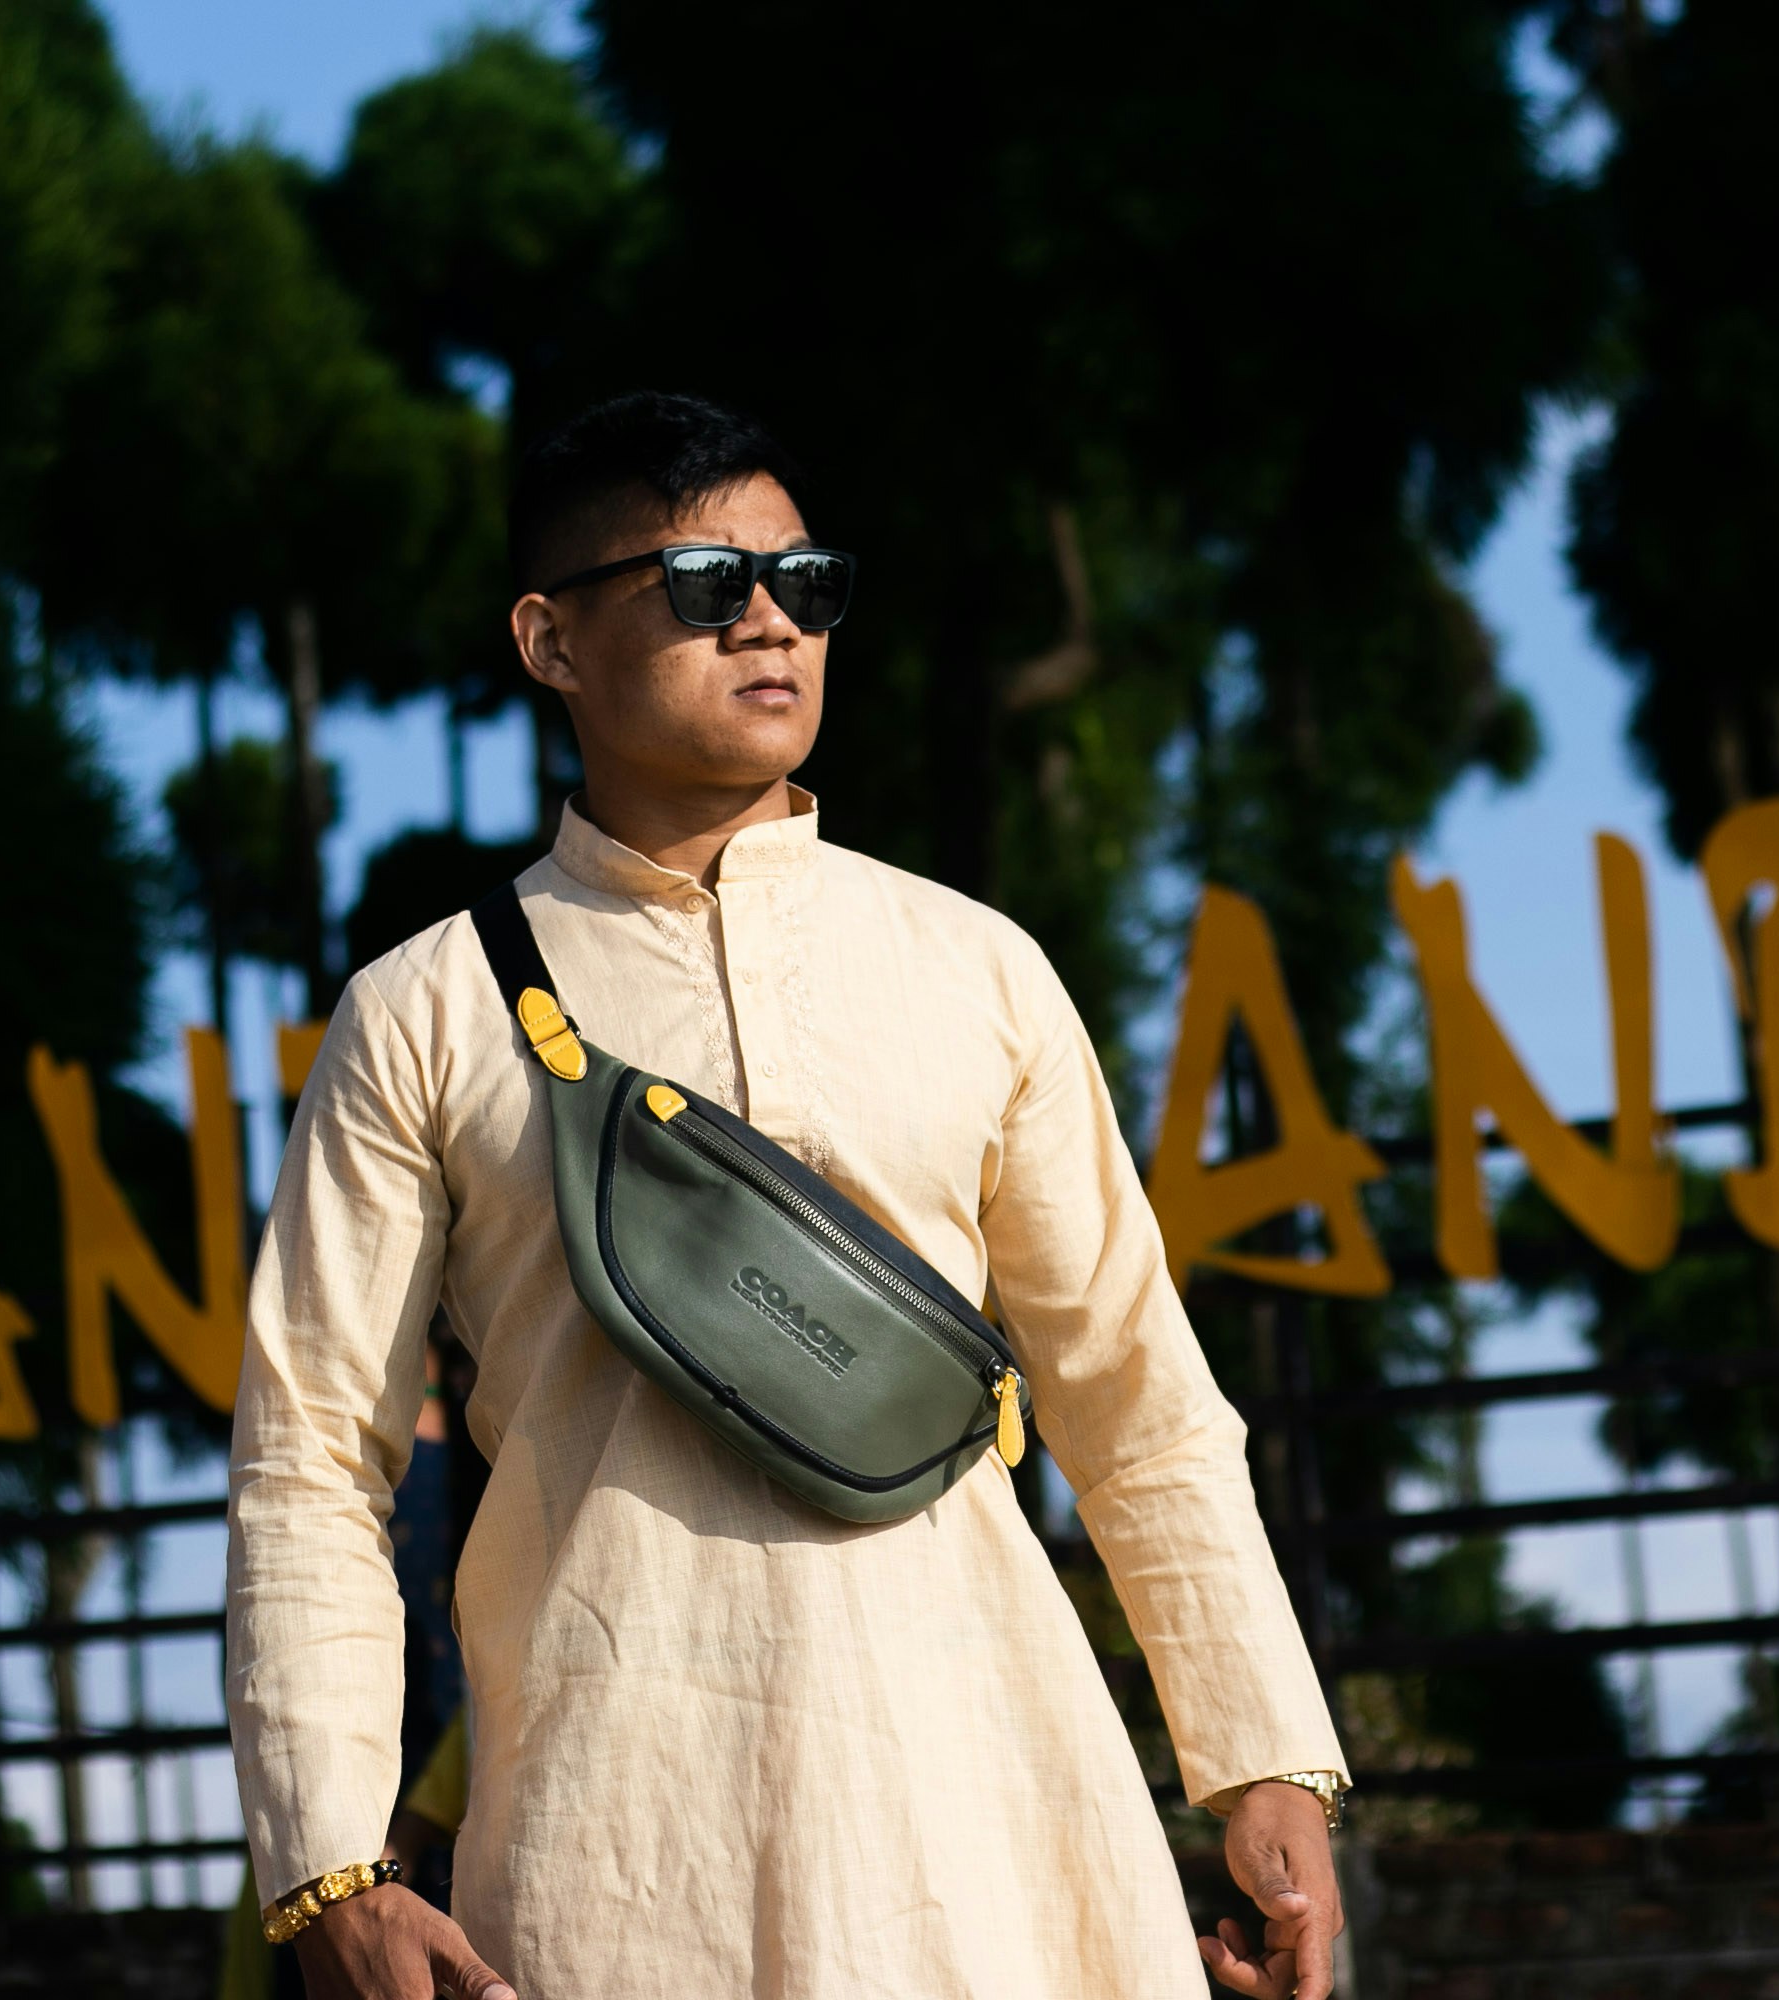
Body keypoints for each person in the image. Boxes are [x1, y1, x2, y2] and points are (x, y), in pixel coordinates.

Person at [225, 391, 1350, 2000]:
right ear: (551, 642)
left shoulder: (975, 971)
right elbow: (313, 1460)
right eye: (699, 584)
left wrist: (1261, 1762)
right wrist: (334, 1862)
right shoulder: (426, 1012)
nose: (768, 620)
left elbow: (1137, 1400)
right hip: (621, 1858)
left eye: (804, 582)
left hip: (1002, 1837)